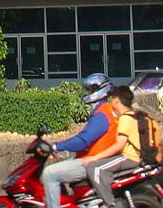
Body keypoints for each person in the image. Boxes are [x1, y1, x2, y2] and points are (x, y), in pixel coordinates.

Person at [38, 73, 119, 208]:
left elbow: (83, 140)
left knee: (49, 173)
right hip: (92, 159)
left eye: (90, 90)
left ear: (99, 91)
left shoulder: (102, 114)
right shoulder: (102, 111)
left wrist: (56, 146)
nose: (88, 93)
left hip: (91, 161)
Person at [83, 87, 141, 208]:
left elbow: (119, 145)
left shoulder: (126, 118)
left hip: (130, 157)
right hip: (127, 156)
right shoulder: (130, 116)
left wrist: (95, 157)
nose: (111, 102)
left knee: (95, 168)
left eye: (113, 98)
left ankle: (110, 204)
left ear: (117, 101)